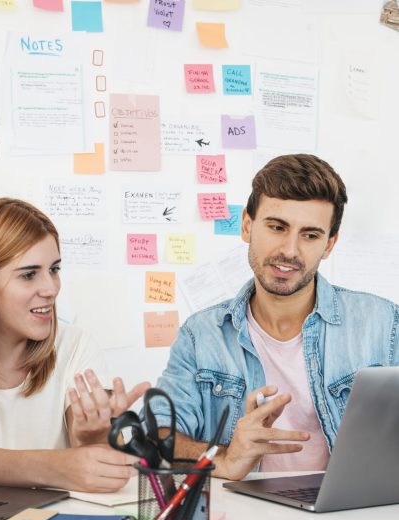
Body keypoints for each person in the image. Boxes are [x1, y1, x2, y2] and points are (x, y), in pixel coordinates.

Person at [151, 154, 399, 480]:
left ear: (329, 244)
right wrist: (227, 456)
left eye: (310, 235)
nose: (290, 251)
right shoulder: (202, 335)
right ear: (247, 225)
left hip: (351, 519)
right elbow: (157, 437)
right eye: (277, 227)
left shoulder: (383, 324)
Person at [0, 198, 149, 492]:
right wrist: (53, 467)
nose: (51, 288)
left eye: (54, 269)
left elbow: (89, 466)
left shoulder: (74, 345)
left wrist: (92, 438)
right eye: (29, 274)